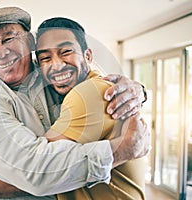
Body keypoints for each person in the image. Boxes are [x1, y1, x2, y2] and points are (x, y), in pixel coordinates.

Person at [0, 7, 150, 199]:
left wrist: (137, 90)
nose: (0, 52)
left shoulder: (51, 76)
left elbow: (87, 71)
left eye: (8, 39)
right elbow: (36, 174)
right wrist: (120, 152)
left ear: (29, 41)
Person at [35, 17, 146, 200]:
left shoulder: (90, 94)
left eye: (66, 52)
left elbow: (36, 170)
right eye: (45, 58)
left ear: (88, 56)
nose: (56, 64)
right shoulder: (69, 93)